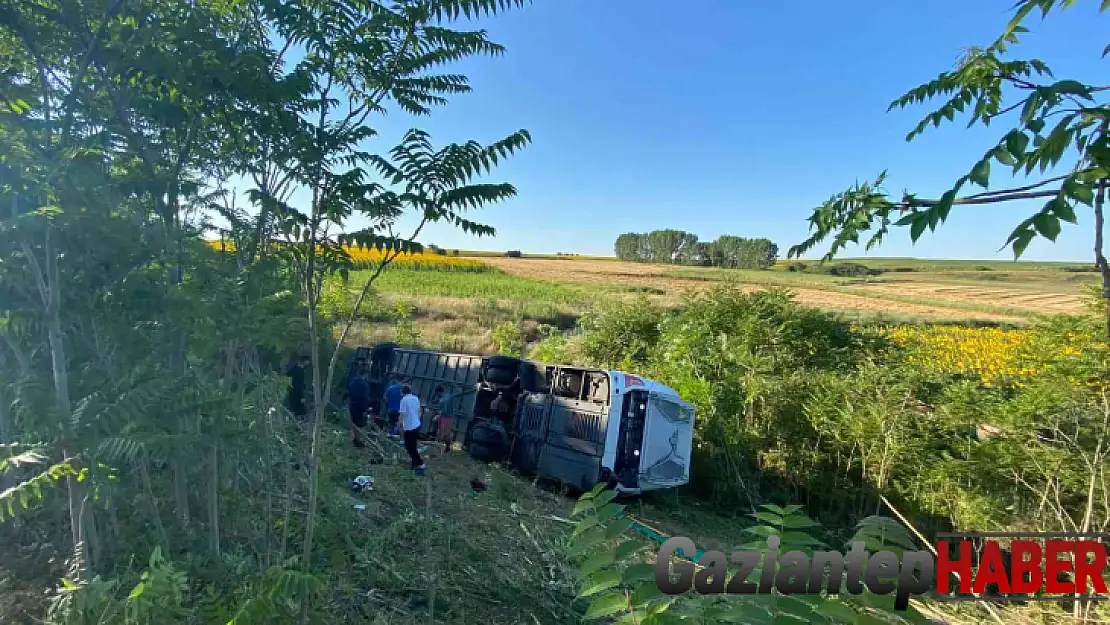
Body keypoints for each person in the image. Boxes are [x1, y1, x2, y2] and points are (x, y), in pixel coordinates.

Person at [398, 385, 426, 472]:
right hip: (416, 424)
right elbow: (419, 411)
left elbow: (402, 414)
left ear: (402, 392)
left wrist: (399, 423)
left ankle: (420, 463)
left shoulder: (403, 400)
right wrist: (417, 419)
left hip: (409, 426)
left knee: (409, 447)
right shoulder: (415, 398)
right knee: (413, 445)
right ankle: (414, 464)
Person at [348, 365, 371, 448]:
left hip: (352, 405)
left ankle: (355, 438)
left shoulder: (352, 382)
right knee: (360, 424)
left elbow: (349, 393)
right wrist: (366, 408)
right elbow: (365, 397)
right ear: (364, 375)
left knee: (354, 423)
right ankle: (358, 440)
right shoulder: (364, 385)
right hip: (360, 406)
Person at [285, 355, 310, 419]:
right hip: (295, 391)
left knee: (297, 408)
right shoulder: (297, 370)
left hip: (294, 390)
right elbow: (298, 384)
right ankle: (298, 421)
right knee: (299, 409)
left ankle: (297, 420)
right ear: (304, 361)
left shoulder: (297, 369)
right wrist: (301, 396)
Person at [431, 385, 455, 450]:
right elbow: (434, 401)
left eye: (436, 392)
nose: (436, 394)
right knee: (442, 430)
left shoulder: (443, 400)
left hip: (446, 417)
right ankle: (442, 443)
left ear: (438, 392)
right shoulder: (446, 396)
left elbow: (444, 411)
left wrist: (437, 414)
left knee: (444, 433)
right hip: (450, 416)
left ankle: (444, 446)